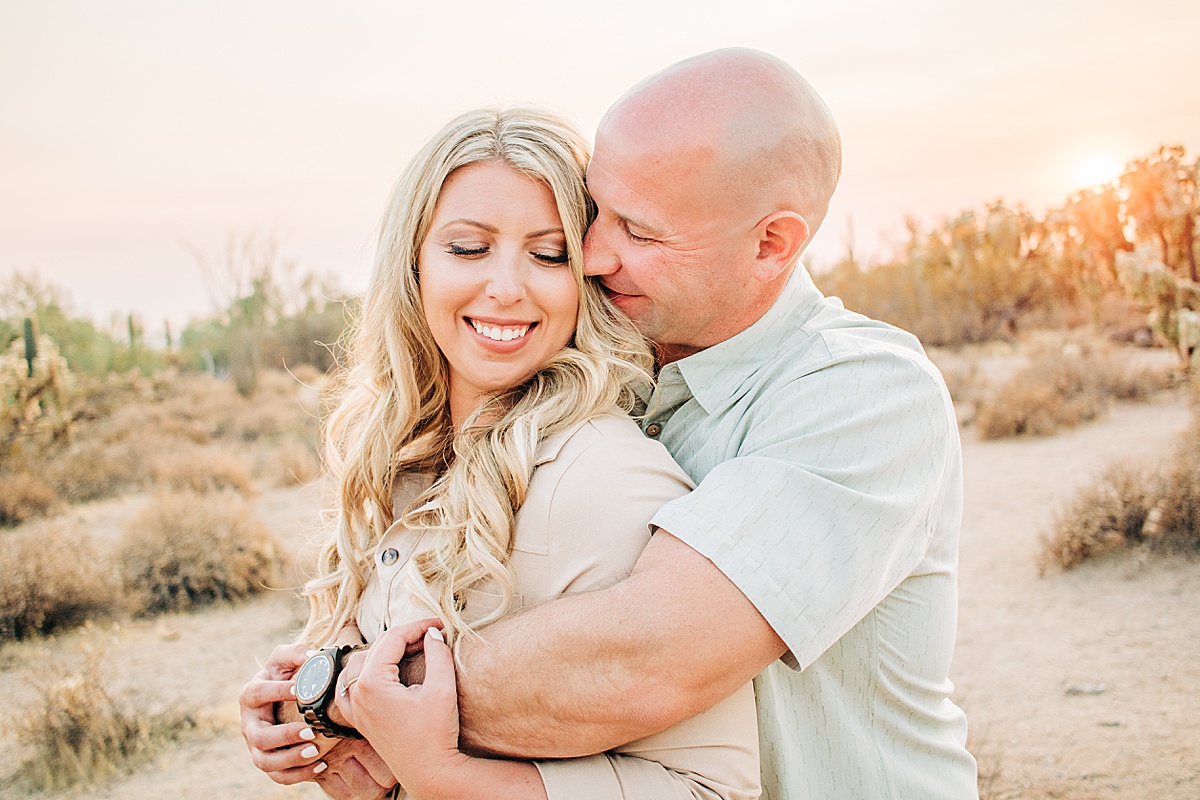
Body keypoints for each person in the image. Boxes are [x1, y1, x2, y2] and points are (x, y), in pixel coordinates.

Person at [245, 47, 980, 800]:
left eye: (638, 230)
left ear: (772, 244)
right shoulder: (570, 373)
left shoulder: (862, 396)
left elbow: (644, 660)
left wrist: (341, 694)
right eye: (593, 214)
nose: (593, 255)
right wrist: (319, 685)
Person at [240, 105, 761, 800]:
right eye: (468, 248)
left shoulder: (600, 473)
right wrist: (311, 715)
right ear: (413, 264)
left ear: (583, 277)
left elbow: (710, 787)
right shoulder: (402, 462)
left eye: (548, 254)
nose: (508, 287)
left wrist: (445, 780)